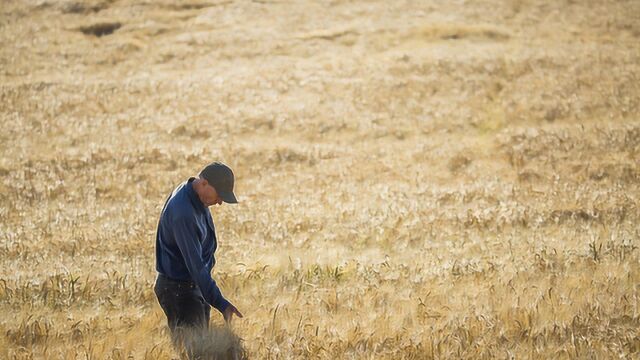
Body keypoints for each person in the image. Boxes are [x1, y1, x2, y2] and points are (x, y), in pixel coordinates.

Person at [154, 161, 243, 340]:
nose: (219, 202)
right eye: (219, 196)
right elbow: (196, 266)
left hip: (191, 287)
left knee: (202, 346)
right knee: (196, 351)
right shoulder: (183, 213)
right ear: (204, 183)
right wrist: (221, 303)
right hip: (179, 292)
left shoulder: (194, 194)